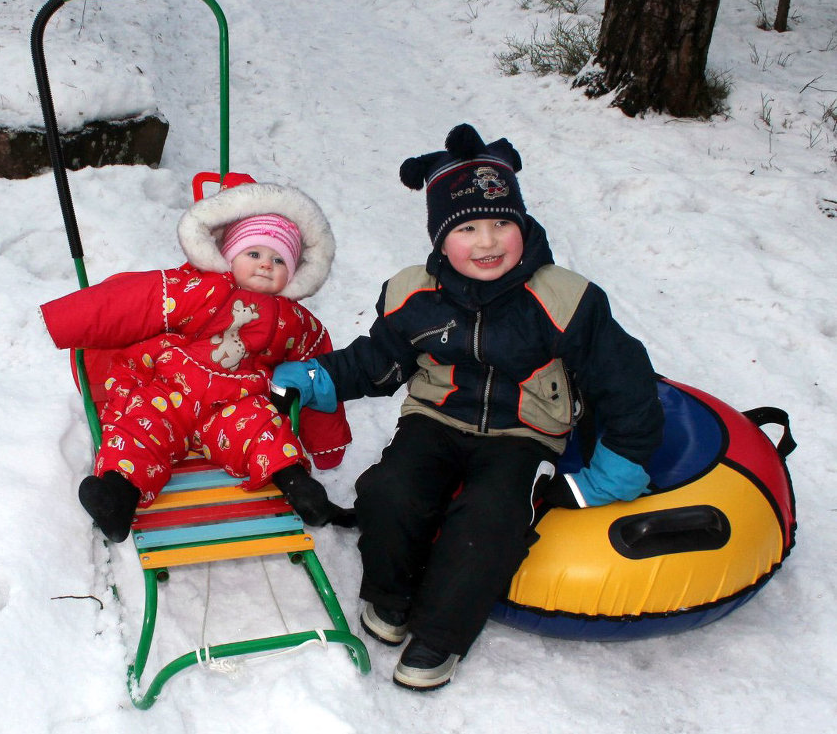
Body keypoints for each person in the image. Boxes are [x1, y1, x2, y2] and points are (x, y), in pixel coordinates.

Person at [272, 124, 665, 691]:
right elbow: (376, 360)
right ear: (440, 239)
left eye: (502, 223)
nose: (487, 242)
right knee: (389, 490)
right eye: (468, 227)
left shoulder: (564, 298)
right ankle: (389, 595)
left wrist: (613, 471)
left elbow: (625, 382)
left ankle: (441, 634)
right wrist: (315, 377)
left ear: (522, 225)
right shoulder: (415, 293)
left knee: (488, 520)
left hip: (525, 432)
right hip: (435, 418)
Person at [40, 182, 354, 543]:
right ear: (228, 255)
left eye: (279, 259)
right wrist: (65, 319)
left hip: (235, 402)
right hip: (170, 390)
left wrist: (326, 444)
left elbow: (317, 376)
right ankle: (118, 495)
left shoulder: (296, 321)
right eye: (253, 253)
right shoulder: (200, 287)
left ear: (295, 273)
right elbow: (135, 302)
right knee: (141, 427)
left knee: (263, 428)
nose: (266, 264)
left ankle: (298, 486)